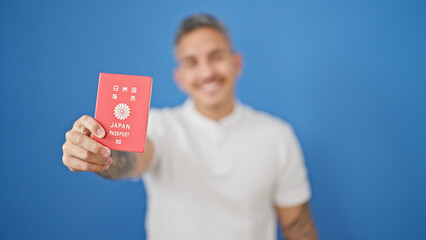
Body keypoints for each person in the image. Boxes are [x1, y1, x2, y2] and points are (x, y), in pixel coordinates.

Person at [62, 13, 319, 240]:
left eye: (216, 57)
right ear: (180, 78)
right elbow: (131, 158)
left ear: (236, 64)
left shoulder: (277, 135)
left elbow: (298, 228)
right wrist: (98, 153)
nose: (207, 72)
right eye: (192, 62)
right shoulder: (158, 125)